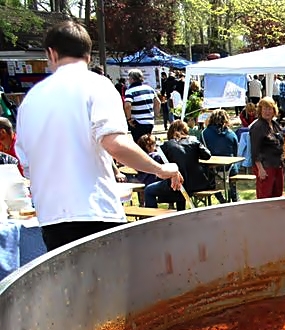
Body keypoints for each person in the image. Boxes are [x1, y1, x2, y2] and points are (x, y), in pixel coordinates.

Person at [15, 20, 181, 251]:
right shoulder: (97, 85)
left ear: (51, 54)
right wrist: (160, 169)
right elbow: (115, 143)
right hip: (96, 212)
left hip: (52, 219)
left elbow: (26, 167)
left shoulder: (29, 101)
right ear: (89, 54)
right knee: (110, 287)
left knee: (72, 287)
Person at [145, 120, 211, 210]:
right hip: (196, 183)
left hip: (177, 183)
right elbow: (207, 155)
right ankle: (180, 211)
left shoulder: (166, 145)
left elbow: (161, 165)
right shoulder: (194, 140)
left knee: (148, 190)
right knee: (179, 188)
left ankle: (152, 218)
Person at [249, 97, 285, 199]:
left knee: (278, 196)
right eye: (264, 108)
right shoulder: (257, 127)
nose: (267, 111)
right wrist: (260, 169)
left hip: (278, 165)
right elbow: (255, 150)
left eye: (269, 108)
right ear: (260, 110)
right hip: (265, 167)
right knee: (265, 197)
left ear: (274, 110)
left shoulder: (275, 125)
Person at [201, 109, 240, 202]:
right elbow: (235, 152)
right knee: (232, 172)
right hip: (230, 168)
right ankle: (234, 195)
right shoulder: (231, 134)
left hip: (212, 169)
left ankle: (221, 199)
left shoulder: (204, 133)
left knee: (208, 174)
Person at [124, 68, 160, 142]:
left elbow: (127, 105)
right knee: (148, 143)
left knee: (140, 144)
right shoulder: (149, 89)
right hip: (149, 122)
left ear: (132, 79)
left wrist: (129, 119)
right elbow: (158, 103)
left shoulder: (130, 91)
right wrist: (154, 116)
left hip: (138, 122)